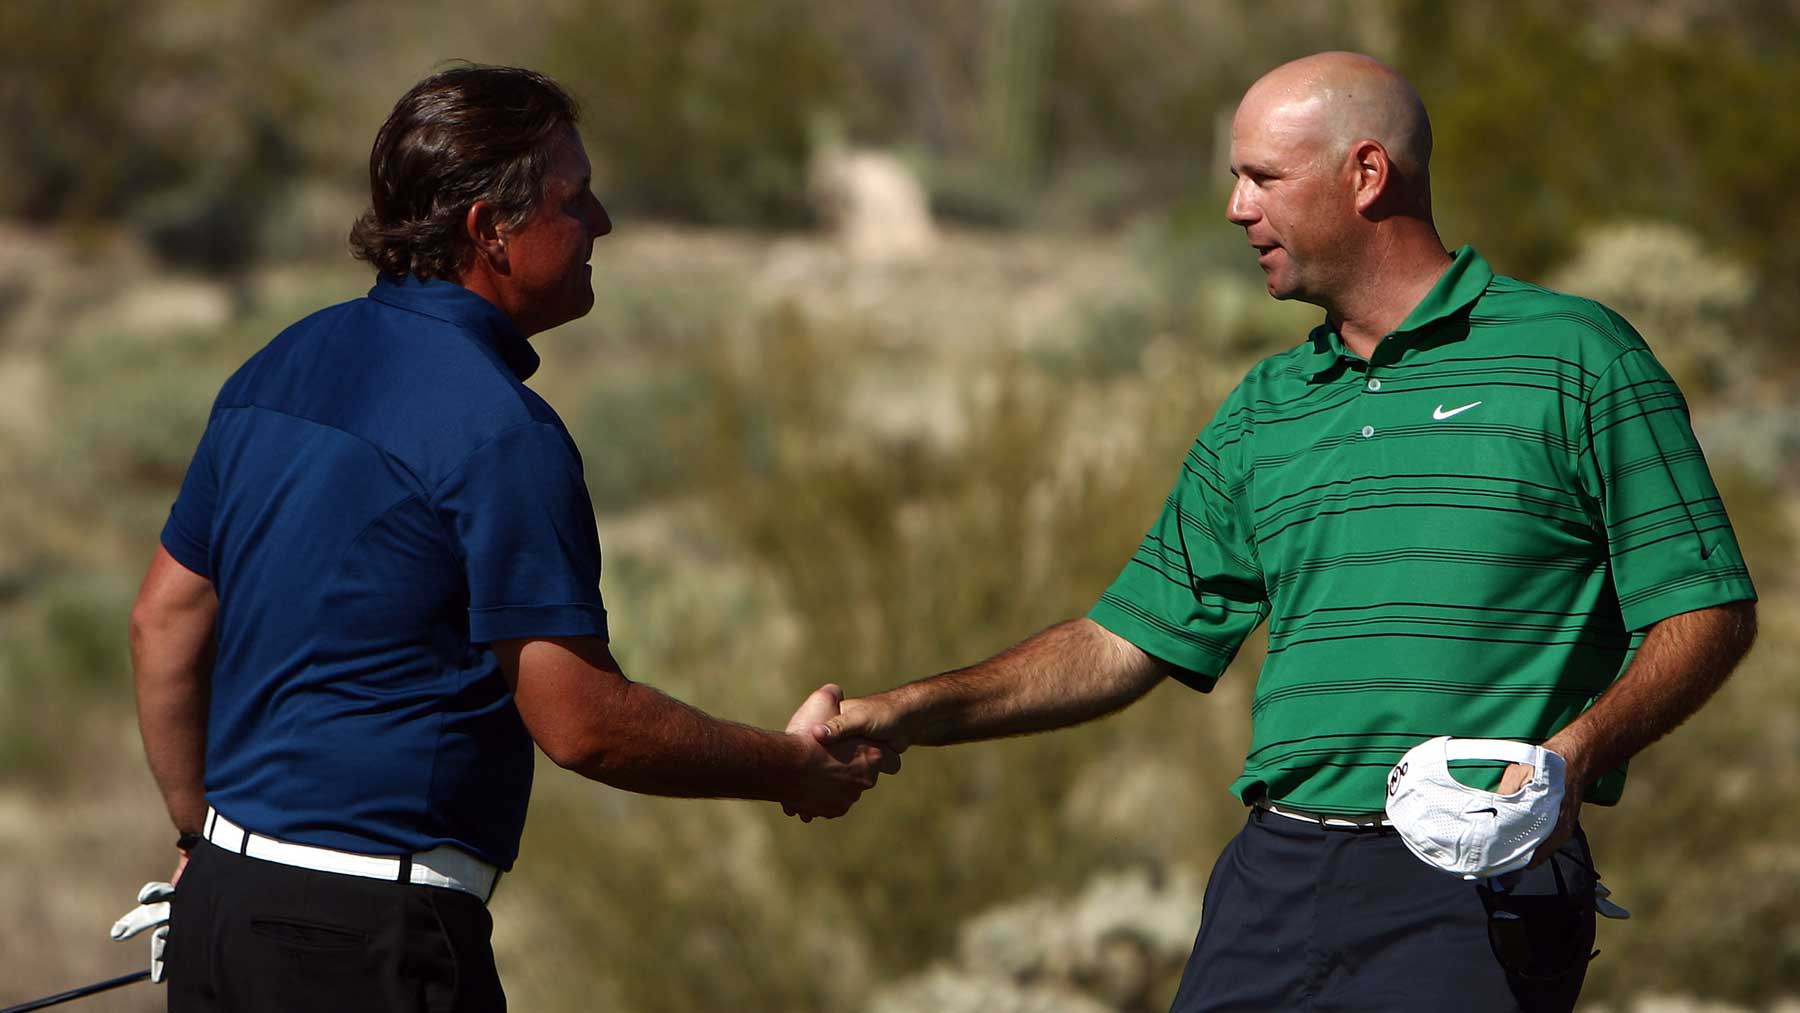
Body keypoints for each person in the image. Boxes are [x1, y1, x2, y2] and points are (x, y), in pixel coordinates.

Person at [815, 51, 1757, 1011]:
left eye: (1262, 176)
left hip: (1479, 886)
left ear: (1366, 174)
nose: (1234, 207)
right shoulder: (1266, 407)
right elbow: (1118, 642)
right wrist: (905, 712)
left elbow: (1707, 608)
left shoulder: (1577, 358)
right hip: (1274, 878)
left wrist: (1577, 755)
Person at [125, 64, 898, 1011]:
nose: (602, 223)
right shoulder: (501, 431)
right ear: (491, 230)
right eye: (577, 200)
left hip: (216, 917)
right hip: (370, 946)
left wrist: (201, 839)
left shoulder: (275, 366)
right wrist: (789, 768)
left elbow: (163, 622)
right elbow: (583, 725)